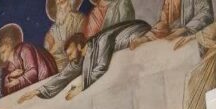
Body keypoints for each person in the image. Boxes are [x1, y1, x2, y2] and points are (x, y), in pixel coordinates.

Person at [22, 20, 151, 101]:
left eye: (71, 53)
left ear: (79, 46)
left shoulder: (101, 41)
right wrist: (38, 91)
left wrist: (80, 87)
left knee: (132, 42)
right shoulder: (81, 57)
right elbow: (64, 76)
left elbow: (101, 66)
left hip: (138, 31)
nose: (70, 58)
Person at [0, 26, 58, 96]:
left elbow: (33, 72)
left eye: (3, 52)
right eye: (0, 54)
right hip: (28, 91)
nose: (1, 57)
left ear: (9, 46)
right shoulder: (9, 65)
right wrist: (10, 76)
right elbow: (6, 87)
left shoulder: (25, 49)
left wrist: (18, 81)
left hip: (43, 83)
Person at [44, 0, 87, 72]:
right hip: (55, 66)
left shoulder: (79, 19)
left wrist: (57, 47)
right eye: (57, 4)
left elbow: (79, 42)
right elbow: (47, 51)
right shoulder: (53, 29)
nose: (59, 7)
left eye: (62, 2)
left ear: (70, 2)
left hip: (72, 63)